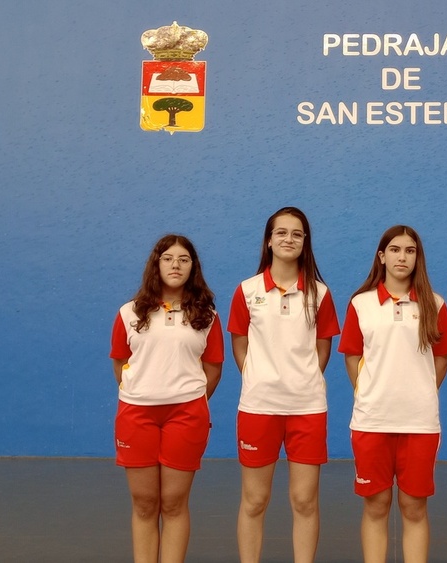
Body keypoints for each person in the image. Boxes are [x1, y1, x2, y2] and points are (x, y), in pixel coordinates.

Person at [227, 207, 340, 563]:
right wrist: (261, 377)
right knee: (255, 500)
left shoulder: (320, 294)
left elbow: (323, 347)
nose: (288, 239)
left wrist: (300, 379)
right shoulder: (247, 291)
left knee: (304, 501)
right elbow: (240, 345)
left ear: (305, 242)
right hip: (259, 407)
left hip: (307, 409)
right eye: (282, 233)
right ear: (269, 240)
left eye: (297, 234)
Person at [338, 225, 447, 563]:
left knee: (414, 506)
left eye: (410, 250)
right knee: (376, 504)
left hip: (420, 423)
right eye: (395, 250)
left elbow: (442, 359)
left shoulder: (435, 303)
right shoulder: (360, 304)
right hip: (372, 421)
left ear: (418, 258)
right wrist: (370, 393)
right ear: (382, 256)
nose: (402, 257)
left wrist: (419, 394)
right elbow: (352, 356)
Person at [109, 234, 224, 563]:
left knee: (174, 502)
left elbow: (213, 369)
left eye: (184, 259)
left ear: (193, 267)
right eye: (168, 258)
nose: (176, 265)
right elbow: (120, 364)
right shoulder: (129, 313)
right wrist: (145, 389)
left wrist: (186, 397)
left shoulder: (207, 316)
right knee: (145, 503)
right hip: (137, 415)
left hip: (186, 416)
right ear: (155, 265)